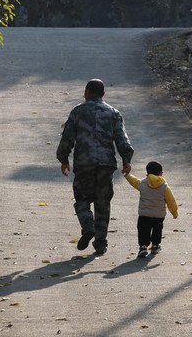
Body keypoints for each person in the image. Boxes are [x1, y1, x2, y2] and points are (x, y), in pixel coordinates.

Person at [57, 79, 134, 255]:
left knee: (82, 198)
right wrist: (126, 159)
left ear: (87, 92)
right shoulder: (113, 113)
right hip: (106, 164)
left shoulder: (77, 111)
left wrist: (63, 159)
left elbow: (67, 137)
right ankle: (101, 243)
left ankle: (87, 226)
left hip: (84, 163)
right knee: (103, 202)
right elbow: (121, 138)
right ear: (103, 94)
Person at [124, 161, 178, 258]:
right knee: (157, 230)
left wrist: (127, 175)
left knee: (143, 230)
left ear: (147, 174)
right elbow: (171, 201)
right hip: (158, 216)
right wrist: (174, 213)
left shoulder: (142, 184)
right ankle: (155, 246)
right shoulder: (165, 187)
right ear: (161, 173)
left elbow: (134, 181)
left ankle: (143, 247)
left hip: (144, 215)